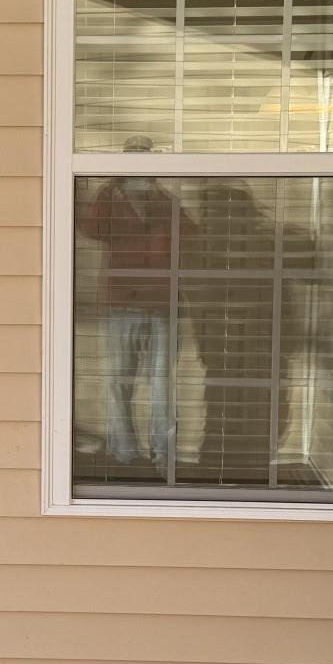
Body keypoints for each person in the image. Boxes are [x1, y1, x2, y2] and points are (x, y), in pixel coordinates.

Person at [76, 137, 189, 469]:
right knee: (120, 381)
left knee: (161, 384)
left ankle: (165, 456)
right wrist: (115, 189)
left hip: (161, 305)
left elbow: (190, 234)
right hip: (121, 304)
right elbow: (92, 229)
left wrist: (155, 200)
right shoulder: (110, 198)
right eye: (133, 161)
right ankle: (126, 453)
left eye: (145, 160)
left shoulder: (164, 200)